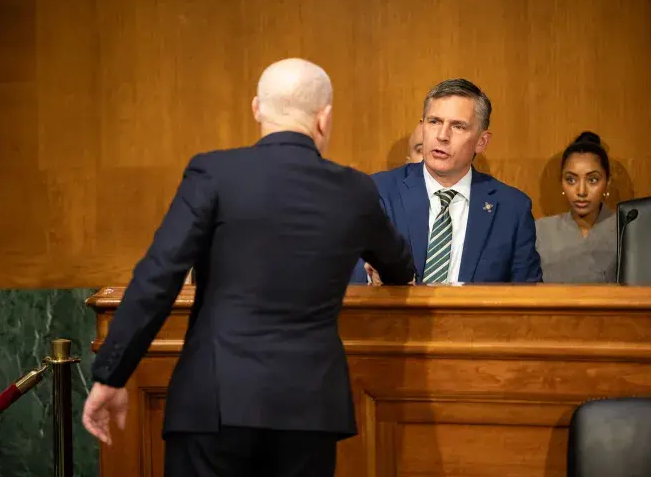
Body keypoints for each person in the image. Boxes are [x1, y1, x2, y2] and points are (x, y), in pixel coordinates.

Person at [81, 58, 415, 477]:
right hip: (308, 412)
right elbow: (401, 266)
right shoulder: (356, 190)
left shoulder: (215, 173)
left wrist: (111, 375)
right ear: (324, 119)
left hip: (214, 402)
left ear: (257, 108)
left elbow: (159, 275)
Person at [351, 78, 542, 284]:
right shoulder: (378, 193)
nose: (442, 136)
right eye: (434, 122)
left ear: (481, 141)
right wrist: (373, 278)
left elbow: (529, 297)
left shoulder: (512, 209)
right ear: (422, 127)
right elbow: (347, 275)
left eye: (458, 126)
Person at [535, 131, 616, 283]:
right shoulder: (540, 231)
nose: (581, 191)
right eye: (571, 180)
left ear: (607, 183)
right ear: (561, 182)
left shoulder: (626, 231)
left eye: (592, 180)